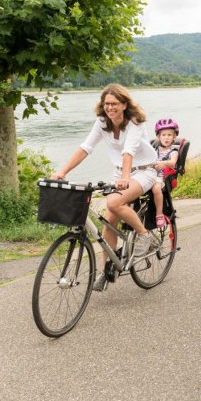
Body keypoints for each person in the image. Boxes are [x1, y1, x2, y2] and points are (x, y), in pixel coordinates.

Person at [51, 83, 158, 291]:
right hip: (121, 172)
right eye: (107, 104)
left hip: (144, 170)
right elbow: (86, 147)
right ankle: (106, 271)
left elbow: (129, 151)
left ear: (124, 104)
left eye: (114, 104)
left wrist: (125, 177)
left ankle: (145, 237)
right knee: (109, 219)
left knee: (114, 201)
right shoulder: (102, 122)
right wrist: (63, 172)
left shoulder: (134, 122)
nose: (110, 108)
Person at [152, 118, 180, 227]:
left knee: (156, 188)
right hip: (151, 175)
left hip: (162, 177)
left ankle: (159, 214)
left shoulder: (173, 151)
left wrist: (162, 163)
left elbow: (173, 163)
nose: (166, 137)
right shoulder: (155, 150)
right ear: (158, 137)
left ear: (174, 137)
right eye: (163, 135)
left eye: (169, 135)